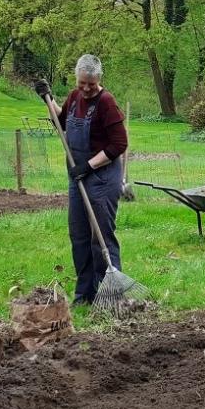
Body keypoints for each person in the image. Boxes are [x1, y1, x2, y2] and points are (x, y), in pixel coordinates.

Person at [34, 55, 129, 305]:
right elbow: (62, 120)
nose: (86, 89)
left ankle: (108, 294)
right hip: (78, 178)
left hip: (101, 177)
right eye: (82, 83)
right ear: (77, 79)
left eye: (92, 84)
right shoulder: (75, 97)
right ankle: (84, 294)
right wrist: (48, 98)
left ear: (99, 80)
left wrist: (88, 165)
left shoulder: (107, 102)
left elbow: (119, 144)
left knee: (101, 238)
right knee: (79, 235)